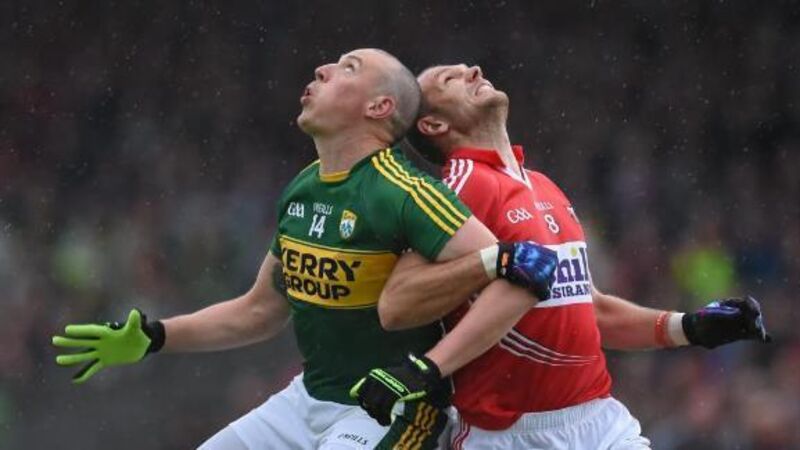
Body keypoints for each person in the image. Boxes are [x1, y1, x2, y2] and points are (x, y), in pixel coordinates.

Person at [50, 49, 559, 450]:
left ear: (379, 107)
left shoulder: (406, 193)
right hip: (306, 400)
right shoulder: (305, 188)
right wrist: (156, 336)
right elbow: (258, 311)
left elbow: (519, 273)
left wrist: (426, 371)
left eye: (347, 68)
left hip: (392, 411)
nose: (321, 70)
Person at [353, 63, 771, 449]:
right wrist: (426, 366)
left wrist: (690, 327)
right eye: (451, 79)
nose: (473, 71)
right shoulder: (460, 187)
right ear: (434, 124)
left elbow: (591, 309)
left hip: (599, 420)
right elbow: (398, 300)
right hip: (508, 435)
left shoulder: (544, 186)